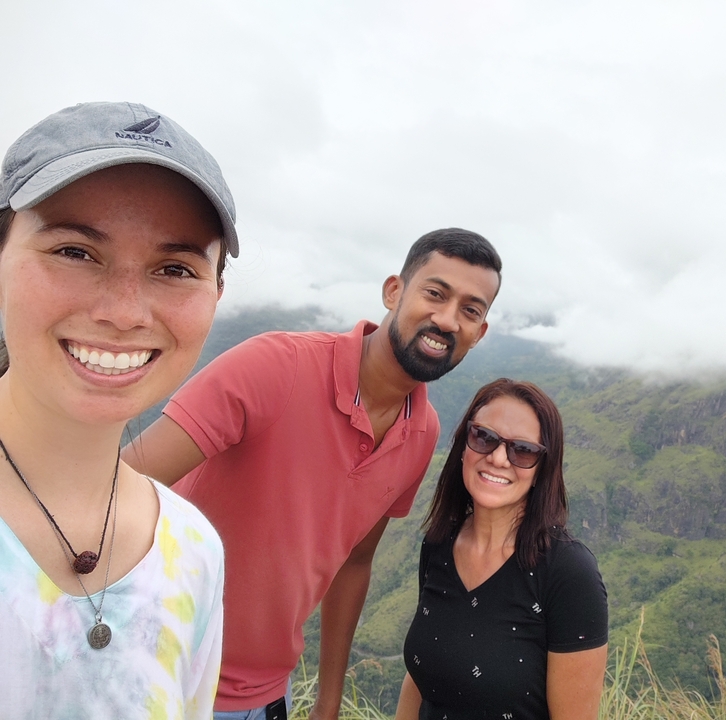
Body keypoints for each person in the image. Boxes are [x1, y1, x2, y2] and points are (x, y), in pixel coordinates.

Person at [122, 228, 503, 719]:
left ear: (480, 333)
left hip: (263, 697)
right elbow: (120, 486)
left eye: (470, 310)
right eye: (435, 293)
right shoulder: (277, 366)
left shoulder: (422, 430)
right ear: (394, 291)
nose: (447, 319)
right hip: (151, 674)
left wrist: (328, 701)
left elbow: (356, 561)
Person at [0, 101, 237, 717]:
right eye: (75, 252)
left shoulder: (193, 551)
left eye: (174, 268)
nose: (125, 312)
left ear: (217, 293)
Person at [396, 378, 609, 720]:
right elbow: (421, 681)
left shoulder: (568, 572)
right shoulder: (439, 543)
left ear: (542, 469)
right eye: (484, 437)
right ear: (463, 445)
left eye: (522, 450)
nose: (497, 458)